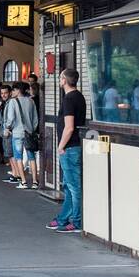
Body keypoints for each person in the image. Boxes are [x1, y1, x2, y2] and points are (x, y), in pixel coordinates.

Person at [50, 68, 86, 233]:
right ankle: (64, 218)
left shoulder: (69, 99)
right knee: (69, 186)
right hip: (75, 147)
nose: (59, 80)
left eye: (59, 78)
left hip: (69, 148)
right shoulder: (79, 96)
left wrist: (60, 146)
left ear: (64, 80)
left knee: (73, 187)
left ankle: (77, 222)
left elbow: (69, 127)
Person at [3, 81, 40, 189]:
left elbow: (10, 119)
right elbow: (35, 119)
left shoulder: (13, 102)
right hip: (29, 133)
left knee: (18, 157)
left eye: (14, 90)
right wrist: (31, 130)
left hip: (17, 133)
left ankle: (23, 182)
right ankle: (35, 182)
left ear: (19, 90)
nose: (12, 92)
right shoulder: (31, 101)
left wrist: (7, 128)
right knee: (31, 157)